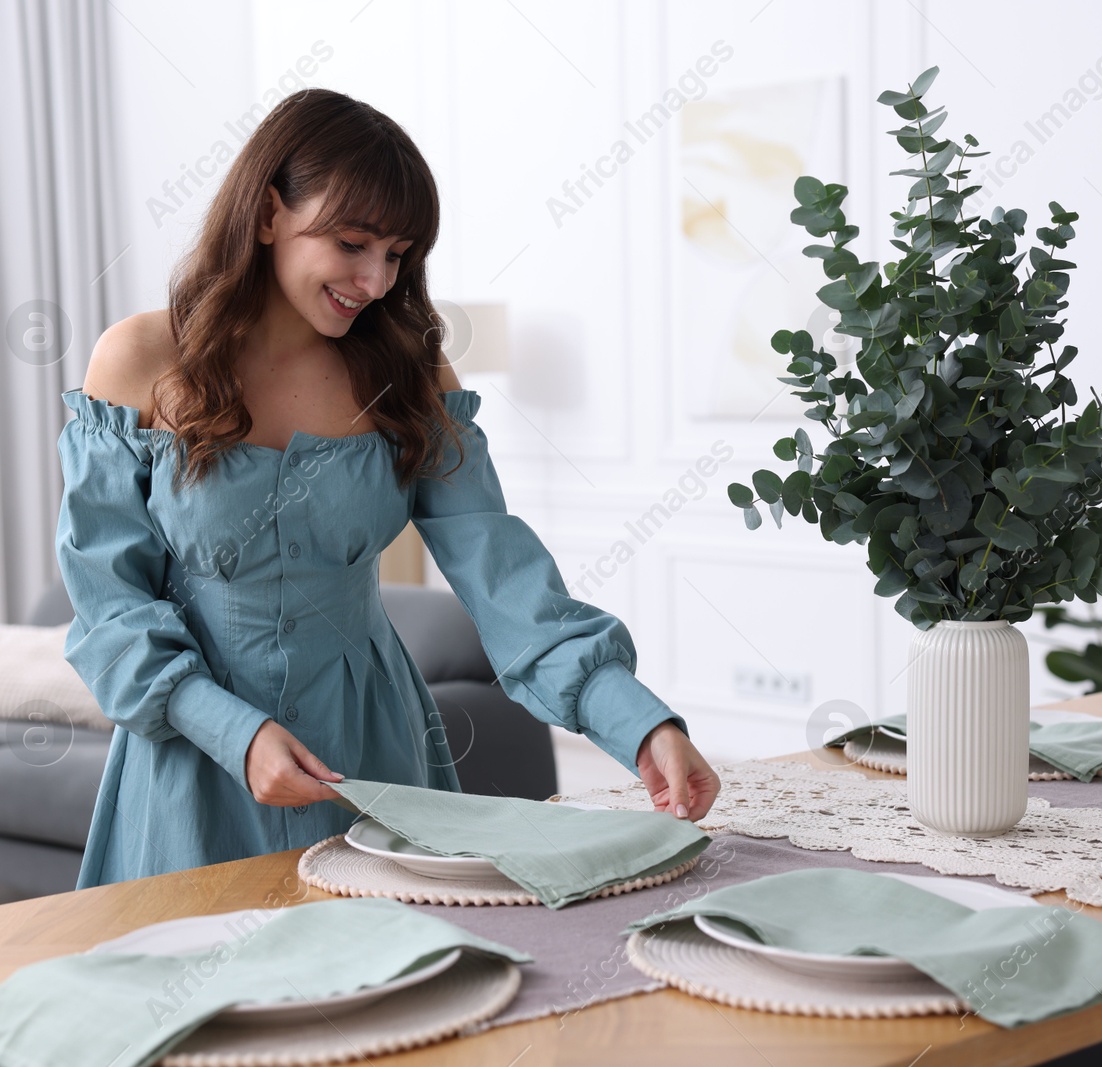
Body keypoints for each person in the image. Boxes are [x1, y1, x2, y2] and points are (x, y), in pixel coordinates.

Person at [57, 88, 720, 889]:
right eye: (351, 242)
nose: (375, 279)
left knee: (398, 994)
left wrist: (638, 722)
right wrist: (231, 731)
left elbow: (505, 582)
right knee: (200, 990)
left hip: (373, 748)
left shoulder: (410, 376)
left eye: (398, 253)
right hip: (191, 756)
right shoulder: (140, 361)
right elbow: (109, 606)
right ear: (269, 212)